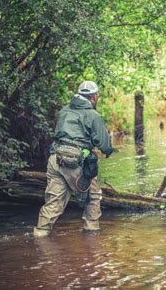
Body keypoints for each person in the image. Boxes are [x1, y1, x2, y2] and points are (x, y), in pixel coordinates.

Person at [33, 81, 114, 237]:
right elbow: (104, 144)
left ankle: (40, 235)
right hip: (76, 163)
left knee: (54, 202)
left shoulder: (64, 111)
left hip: (55, 160)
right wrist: (108, 150)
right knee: (93, 197)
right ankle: (91, 235)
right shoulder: (93, 115)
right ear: (95, 97)